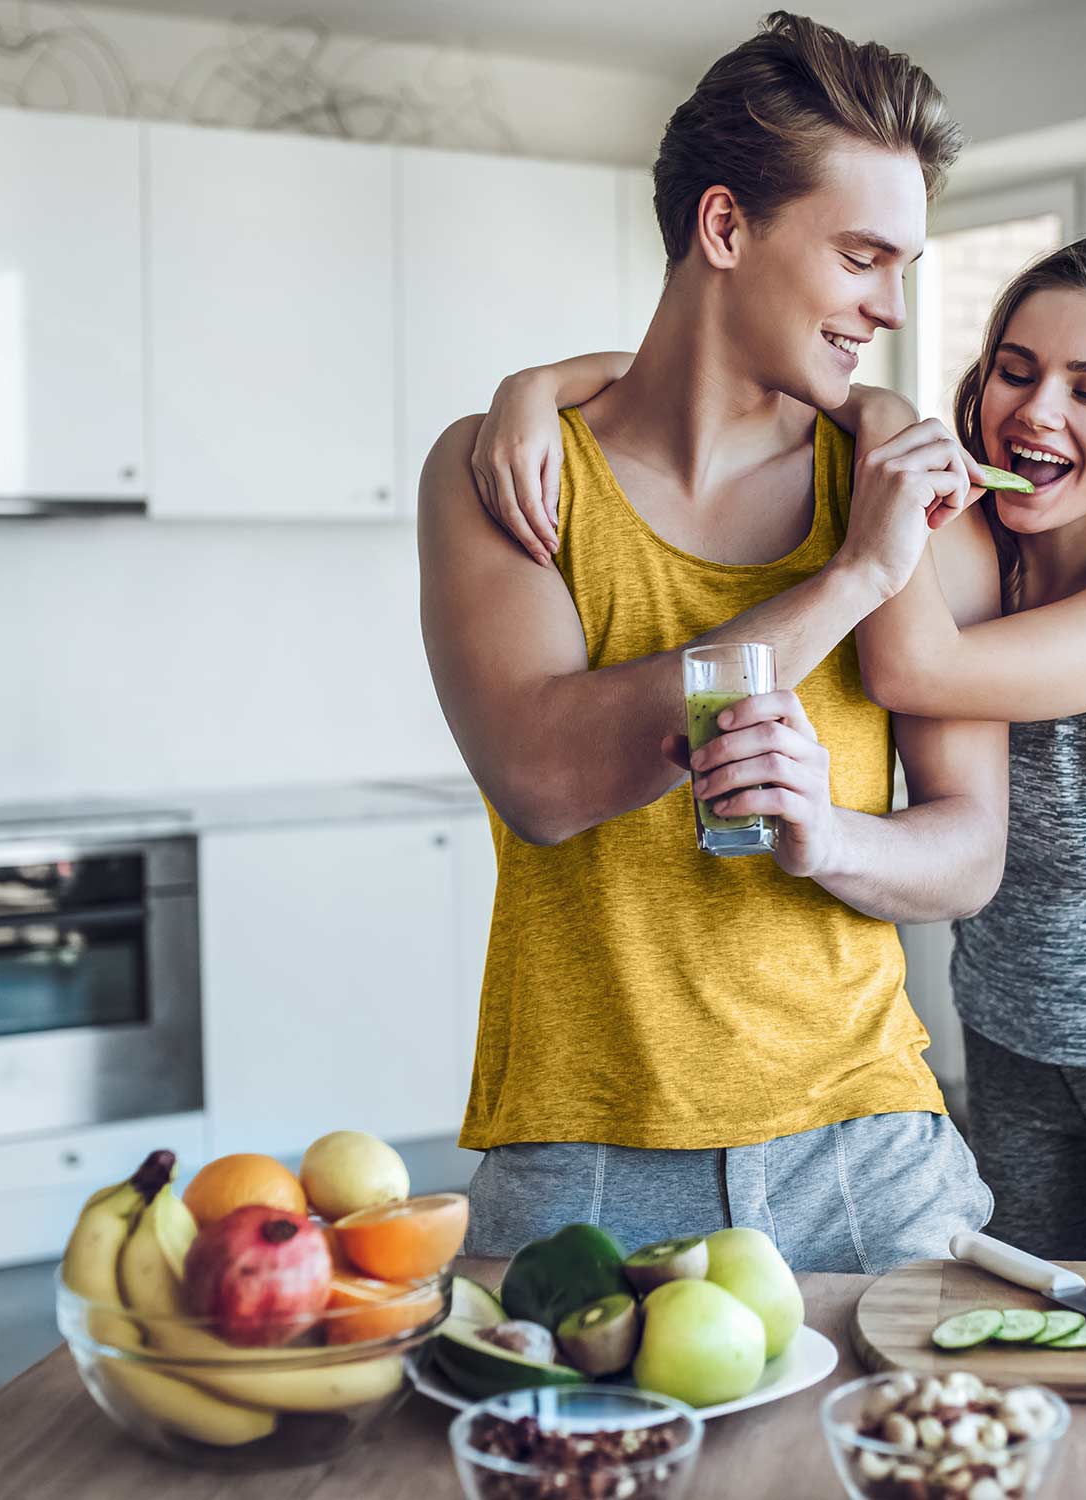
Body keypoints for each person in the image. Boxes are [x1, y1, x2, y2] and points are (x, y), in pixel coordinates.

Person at [471, 234, 1086, 1265]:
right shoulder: (974, 546)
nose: (1037, 409)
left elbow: (913, 671)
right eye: (1015, 370)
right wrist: (536, 386)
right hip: (1010, 1057)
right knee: (1039, 1370)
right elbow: (705, 365)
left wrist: (878, 427)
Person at [417, 12, 1008, 1273]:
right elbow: (543, 778)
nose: (888, 310)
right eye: (860, 258)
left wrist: (831, 836)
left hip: (871, 1156)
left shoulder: (894, 472)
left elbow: (967, 854)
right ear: (725, 228)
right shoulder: (513, 472)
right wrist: (849, 579)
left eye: (902, 268)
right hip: (582, 1157)